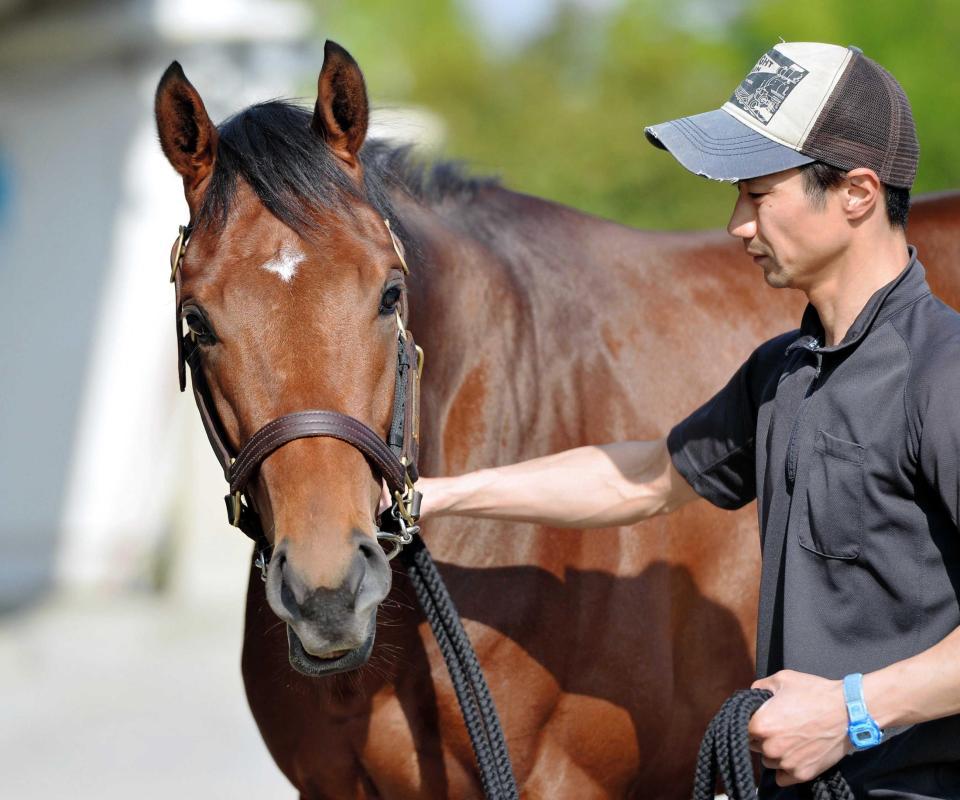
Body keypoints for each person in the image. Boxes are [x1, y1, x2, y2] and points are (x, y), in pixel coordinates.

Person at [415, 42, 960, 798]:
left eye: (759, 194)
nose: (737, 224)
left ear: (858, 193)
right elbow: (643, 479)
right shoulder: (784, 371)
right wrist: (435, 496)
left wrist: (851, 713)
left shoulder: (945, 374)